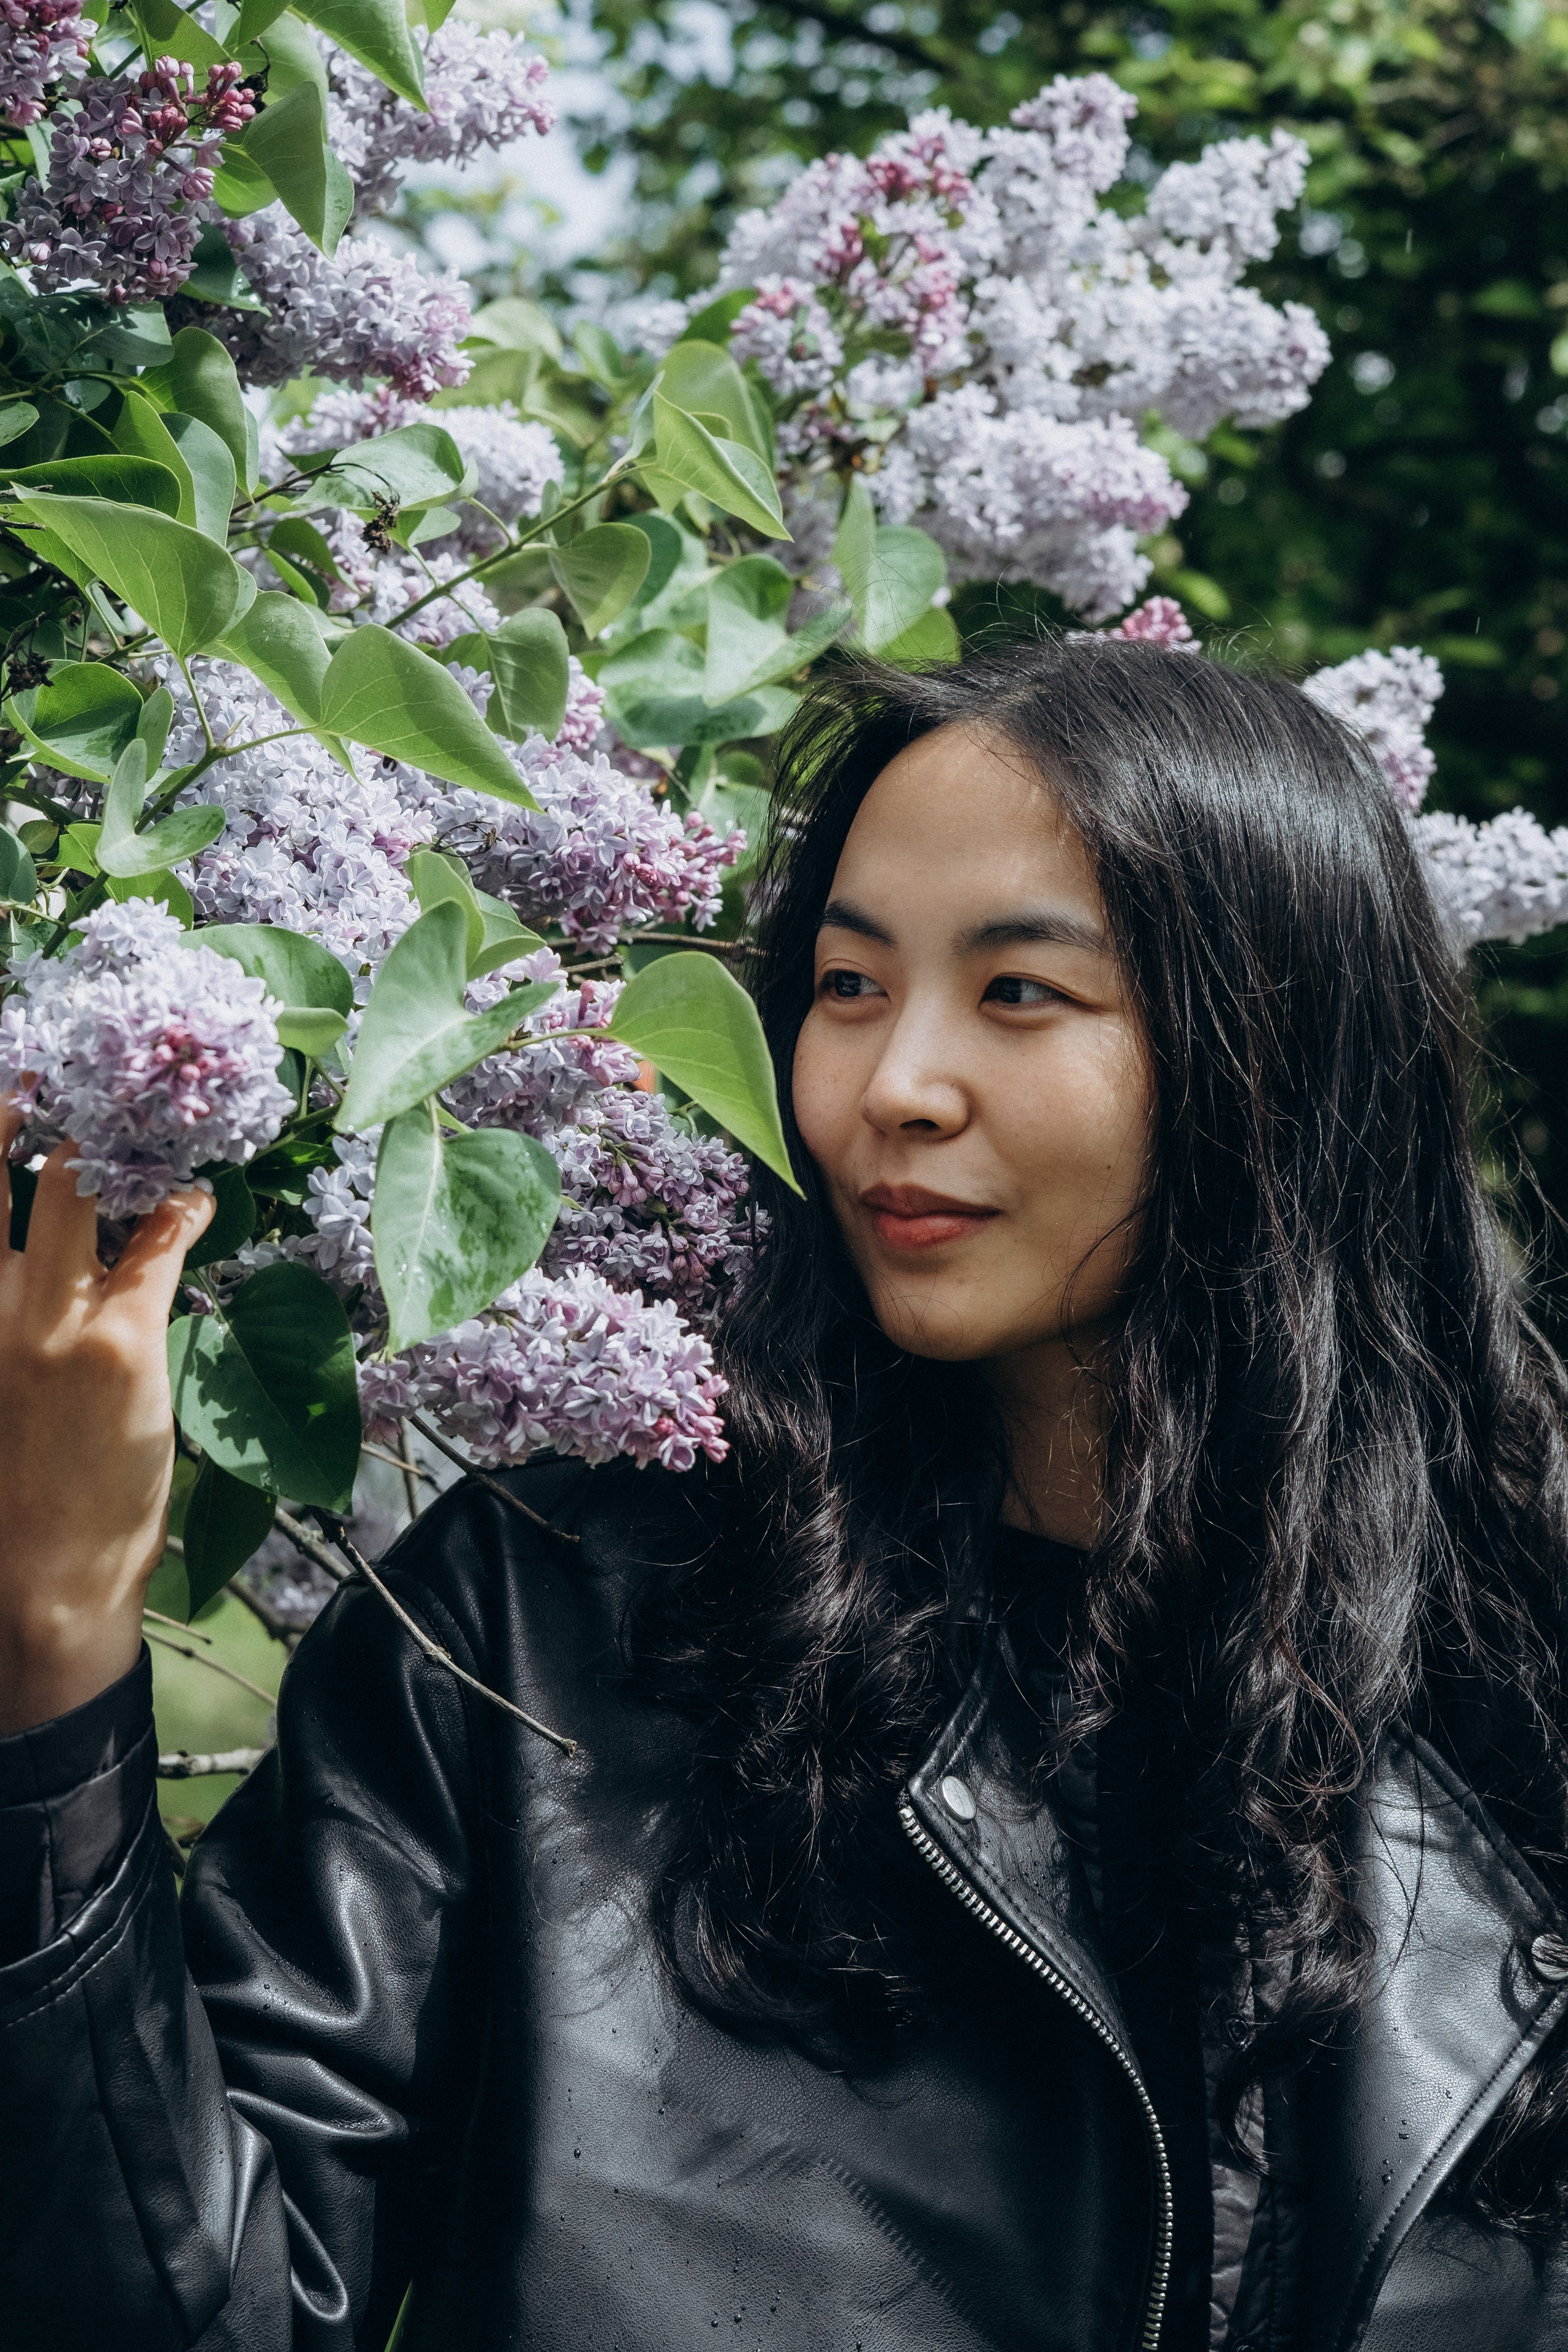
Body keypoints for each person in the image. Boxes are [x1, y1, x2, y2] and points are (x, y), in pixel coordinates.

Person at [2, 636, 1567, 2352]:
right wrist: (56, 1645)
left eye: (1020, 992)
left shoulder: (1521, 1699)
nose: (889, 1085)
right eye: (846, 984)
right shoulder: (549, 1628)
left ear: (1278, 1051)